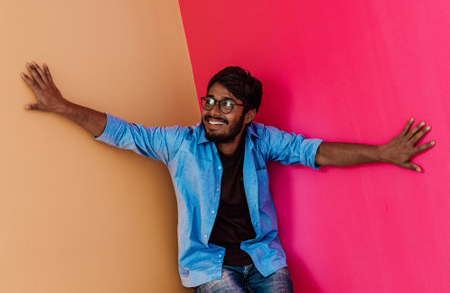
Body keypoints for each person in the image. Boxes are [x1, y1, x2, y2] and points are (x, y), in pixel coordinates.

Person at [21, 62, 435, 292]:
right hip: (209, 266)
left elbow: (315, 151)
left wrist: (384, 152)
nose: (213, 110)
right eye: (210, 100)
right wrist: (63, 105)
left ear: (248, 114)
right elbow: (124, 133)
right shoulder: (181, 144)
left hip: (263, 257)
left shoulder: (262, 139)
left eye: (226, 104)